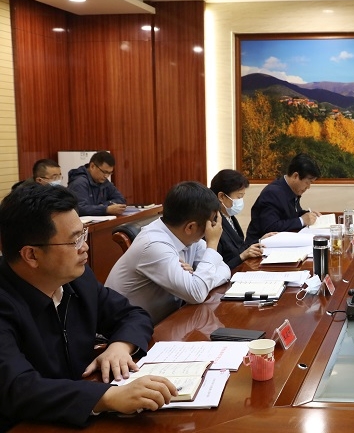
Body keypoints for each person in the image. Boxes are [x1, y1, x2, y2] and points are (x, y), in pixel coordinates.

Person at [0, 183, 176, 430]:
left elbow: (132, 314)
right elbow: (17, 388)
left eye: (83, 234)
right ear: (31, 255)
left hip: (78, 414)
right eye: (74, 241)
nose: (85, 247)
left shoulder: (77, 279)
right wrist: (107, 397)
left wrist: (120, 346)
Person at [105, 181, 230, 324]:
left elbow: (224, 270)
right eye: (210, 225)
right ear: (190, 227)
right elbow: (197, 293)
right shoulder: (154, 244)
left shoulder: (186, 237)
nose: (211, 230)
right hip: (125, 328)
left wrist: (198, 278)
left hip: (164, 321)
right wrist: (212, 245)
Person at [244, 153, 321, 244]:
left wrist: (307, 214)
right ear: (295, 176)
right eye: (308, 182)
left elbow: (289, 214)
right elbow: (270, 227)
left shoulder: (291, 189)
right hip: (259, 247)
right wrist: (302, 220)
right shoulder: (272, 193)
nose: (308, 187)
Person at [210, 169, 264, 269]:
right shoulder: (213, 223)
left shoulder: (228, 216)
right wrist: (242, 256)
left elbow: (240, 246)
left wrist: (261, 241)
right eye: (238, 197)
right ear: (221, 196)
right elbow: (215, 267)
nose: (240, 201)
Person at [67, 151, 127, 216]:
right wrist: (105, 209)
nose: (106, 176)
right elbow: (79, 209)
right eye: (104, 172)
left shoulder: (104, 181)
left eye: (109, 173)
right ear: (92, 166)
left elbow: (121, 200)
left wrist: (103, 205)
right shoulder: (79, 183)